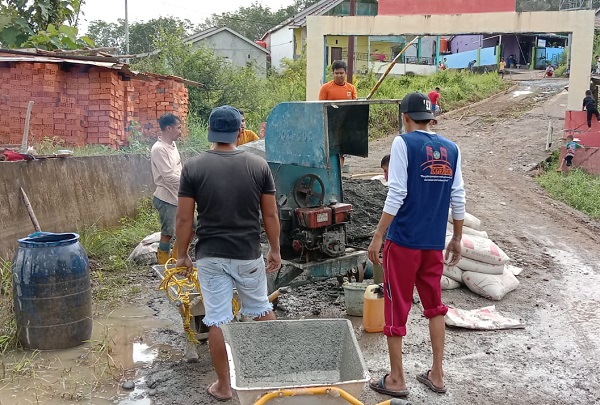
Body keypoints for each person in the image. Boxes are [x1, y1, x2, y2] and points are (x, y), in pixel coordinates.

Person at [175, 105, 281, 402]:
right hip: (248, 253)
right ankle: (271, 375)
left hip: (210, 255)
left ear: (211, 131)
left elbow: (184, 219)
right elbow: (270, 215)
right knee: (261, 309)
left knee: (218, 319)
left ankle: (224, 386)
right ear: (238, 132)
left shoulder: (193, 167)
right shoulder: (258, 165)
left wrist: (182, 254)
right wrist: (275, 249)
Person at [367, 92, 465, 398]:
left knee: (396, 307)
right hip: (433, 243)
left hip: (405, 241)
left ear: (405, 117)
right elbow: (458, 196)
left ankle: (396, 379)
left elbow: (396, 192)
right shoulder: (451, 148)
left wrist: (379, 234)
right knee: (435, 306)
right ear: (431, 117)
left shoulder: (403, 142)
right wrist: (458, 238)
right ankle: (437, 374)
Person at [151, 113, 182, 265]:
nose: (180, 131)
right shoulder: (159, 149)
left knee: (192, 228)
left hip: (178, 196)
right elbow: (169, 177)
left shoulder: (173, 145)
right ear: (168, 128)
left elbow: (177, 171)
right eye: (178, 128)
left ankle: (177, 260)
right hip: (166, 198)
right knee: (168, 233)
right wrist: (189, 182)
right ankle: (164, 265)